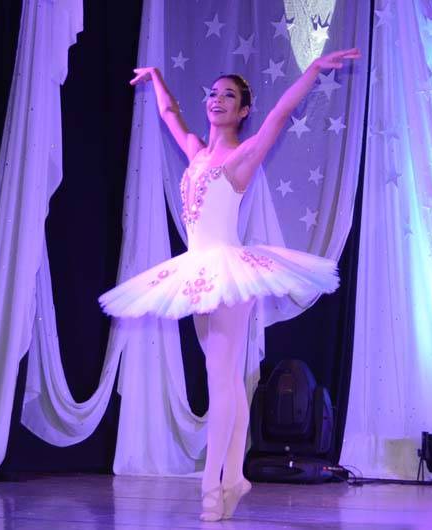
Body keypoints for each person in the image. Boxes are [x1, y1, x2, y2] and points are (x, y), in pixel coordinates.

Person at [99, 48, 361, 522]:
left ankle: (210, 486)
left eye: (229, 96)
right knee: (227, 381)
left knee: (221, 381)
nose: (217, 100)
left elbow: (280, 114)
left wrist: (312, 71)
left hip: (228, 272)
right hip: (197, 272)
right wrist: (156, 77)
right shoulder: (196, 152)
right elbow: (169, 114)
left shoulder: (242, 157)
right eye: (214, 93)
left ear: (242, 110)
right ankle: (235, 477)